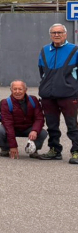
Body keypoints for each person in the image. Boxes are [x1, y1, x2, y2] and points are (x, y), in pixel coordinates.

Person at [37, 23, 78, 163]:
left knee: (72, 125)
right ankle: (54, 150)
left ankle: (76, 152)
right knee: (52, 125)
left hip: (68, 94)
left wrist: (72, 85)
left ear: (65, 34)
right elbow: (41, 71)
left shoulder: (74, 50)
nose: (56, 35)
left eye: (59, 32)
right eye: (54, 32)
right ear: (50, 35)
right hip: (48, 96)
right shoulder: (44, 50)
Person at [0, 81, 47, 159]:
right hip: (13, 128)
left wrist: (35, 130)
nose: (17, 92)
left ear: (25, 90)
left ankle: (34, 150)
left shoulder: (33, 100)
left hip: (28, 128)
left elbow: (39, 118)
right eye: (15, 89)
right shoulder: (5, 102)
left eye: (20, 89)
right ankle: (5, 149)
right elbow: (8, 124)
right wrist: (13, 146)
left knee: (43, 133)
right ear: (11, 90)